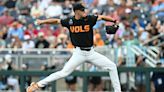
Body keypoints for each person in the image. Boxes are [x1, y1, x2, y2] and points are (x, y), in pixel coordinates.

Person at [27, 2, 121, 92]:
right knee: (64, 73)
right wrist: (42, 22)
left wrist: (113, 20)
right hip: (79, 53)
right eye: (82, 10)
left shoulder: (89, 19)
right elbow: (56, 21)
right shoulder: (70, 21)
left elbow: (101, 17)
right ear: (76, 11)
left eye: (84, 10)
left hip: (91, 53)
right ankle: (37, 85)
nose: (84, 11)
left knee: (112, 66)